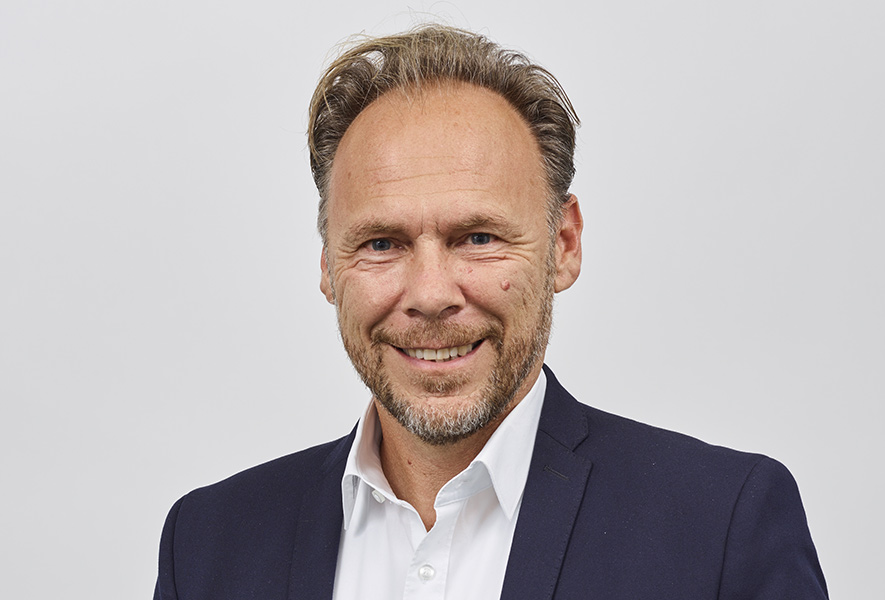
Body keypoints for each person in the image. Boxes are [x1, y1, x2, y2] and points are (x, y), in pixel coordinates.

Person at [153, 25, 828, 599]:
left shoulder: (720, 528)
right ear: (329, 265)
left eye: (477, 238)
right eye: (381, 243)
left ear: (564, 245)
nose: (431, 294)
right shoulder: (207, 546)